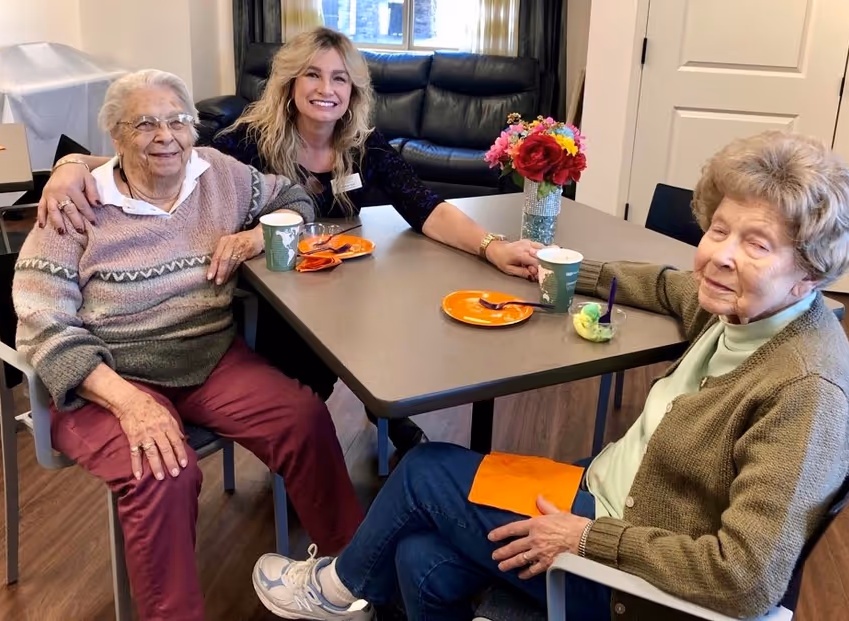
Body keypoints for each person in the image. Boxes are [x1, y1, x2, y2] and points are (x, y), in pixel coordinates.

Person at [249, 130, 849, 621]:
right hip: (611, 499)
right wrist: (555, 267)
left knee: (422, 471)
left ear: (811, 272)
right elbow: (663, 283)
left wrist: (588, 538)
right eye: (718, 230)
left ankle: (334, 591)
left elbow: (746, 579)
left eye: (758, 243)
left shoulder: (805, 391)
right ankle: (364, 590)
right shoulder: (738, 306)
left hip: (640, 586)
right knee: (419, 559)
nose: (721, 255)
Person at [34, 27, 543, 455]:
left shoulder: (365, 146)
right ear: (291, 83)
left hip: (350, 290)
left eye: (340, 78)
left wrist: (491, 247)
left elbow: (425, 207)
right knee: (310, 380)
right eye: (314, 75)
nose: (327, 88)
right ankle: (324, 441)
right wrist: (71, 165)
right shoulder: (247, 142)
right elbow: (168, 160)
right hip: (275, 301)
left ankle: (383, 412)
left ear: (353, 92)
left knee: (392, 333)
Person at [13, 69, 364, 621]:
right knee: (162, 470)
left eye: (178, 120)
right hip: (104, 380)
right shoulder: (76, 205)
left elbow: (298, 199)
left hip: (207, 360)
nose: (166, 135)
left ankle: (351, 578)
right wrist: (128, 403)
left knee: (302, 416)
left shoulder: (218, 175)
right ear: (116, 135)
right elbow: (40, 319)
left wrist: (256, 234)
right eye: (145, 123)